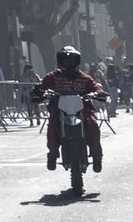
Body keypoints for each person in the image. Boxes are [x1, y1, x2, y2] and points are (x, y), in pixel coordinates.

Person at [30, 46, 107, 190]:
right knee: (52, 127)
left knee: (93, 125)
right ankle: (52, 154)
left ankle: (97, 156)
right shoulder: (52, 77)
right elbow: (40, 87)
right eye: (66, 60)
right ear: (60, 61)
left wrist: (99, 93)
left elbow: (96, 87)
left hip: (83, 110)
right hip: (59, 111)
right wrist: (37, 93)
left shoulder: (84, 77)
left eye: (72, 60)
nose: (69, 63)